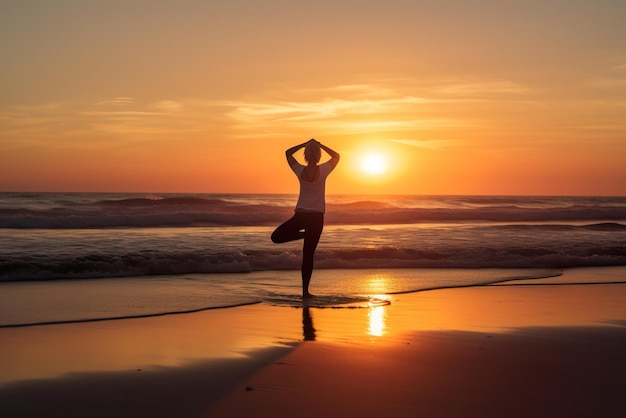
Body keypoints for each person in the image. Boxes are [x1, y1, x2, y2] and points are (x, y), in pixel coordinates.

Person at [271, 138, 340, 298]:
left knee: (277, 237)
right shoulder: (324, 170)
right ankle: (305, 292)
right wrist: (321, 145)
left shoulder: (299, 170)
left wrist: (304, 144)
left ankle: (305, 293)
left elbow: (287, 152)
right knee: (308, 255)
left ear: (306, 155)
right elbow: (337, 156)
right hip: (316, 219)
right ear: (318, 155)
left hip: (301, 216)